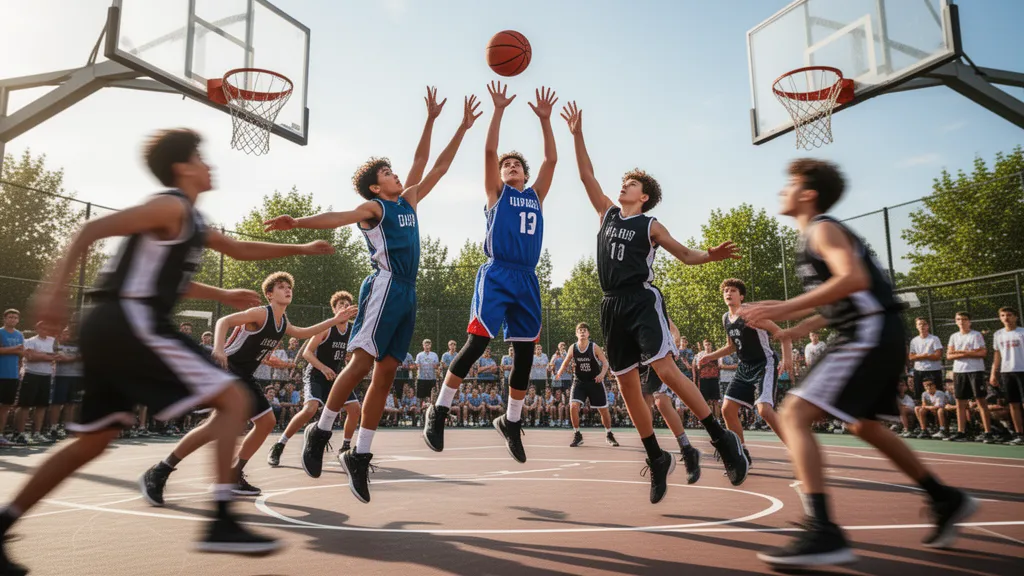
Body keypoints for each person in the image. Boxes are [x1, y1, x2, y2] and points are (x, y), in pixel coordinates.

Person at [0, 129, 334, 570]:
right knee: (233, 398)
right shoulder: (170, 205)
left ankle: (4, 523)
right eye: (201, 157)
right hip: (131, 321)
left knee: (91, 443)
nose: (209, 165)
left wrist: (297, 251)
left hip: (114, 326)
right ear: (182, 168)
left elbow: (236, 248)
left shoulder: (190, 221)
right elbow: (90, 229)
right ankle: (220, 520)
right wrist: (54, 290)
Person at [743, 158, 976, 568]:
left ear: (809, 194)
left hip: (866, 332)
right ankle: (945, 497)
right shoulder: (815, 236)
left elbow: (853, 280)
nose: (784, 190)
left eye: (791, 184)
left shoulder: (822, 229)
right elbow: (839, 296)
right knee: (861, 423)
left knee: (794, 413)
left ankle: (823, 531)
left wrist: (783, 310)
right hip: (876, 330)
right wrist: (794, 327)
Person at [265, 89, 481, 504]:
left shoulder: (409, 201)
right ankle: (321, 428)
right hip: (383, 286)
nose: (397, 175)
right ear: (374, 186)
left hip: (408, 293)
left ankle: (359, 453)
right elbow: (337, 217)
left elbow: (433, 164)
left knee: (386, 373)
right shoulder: (374, 209)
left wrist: (452, 124)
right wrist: (299, 221)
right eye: (388, 173)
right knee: (362, 362)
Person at [560, 100, 747, 504]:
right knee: (626, 386)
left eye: (631, 184)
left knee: (664, 367)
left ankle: (722, 439)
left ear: (644, 197)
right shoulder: (607, 215)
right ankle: (656, 457)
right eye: (623, 182)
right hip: (611, 305)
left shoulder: (650, 225)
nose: (622, 185)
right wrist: (577, 134)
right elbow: (585, 174)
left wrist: (710, 256)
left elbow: (684, 254)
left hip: (642, 301)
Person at [424, 82, 559, 462]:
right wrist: (498, 110)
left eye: (516, 165)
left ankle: (511, 421)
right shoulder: (496, 194)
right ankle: (439, 409)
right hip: (498, 273)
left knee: (524, 355)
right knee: (478, 344)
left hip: (527, 277)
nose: (510, 166)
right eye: (506, 165)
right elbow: (488, 150)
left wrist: (546, 121)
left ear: (524, 174)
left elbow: (551, 162)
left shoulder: (535, 195)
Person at [141, 272, 356, 500]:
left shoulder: (282, 322)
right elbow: (224, 321)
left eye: (288, 287)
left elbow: (303, 333)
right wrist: (219, 348)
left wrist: (335, 320)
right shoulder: (260, 314)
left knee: (265, 422)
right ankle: (161, 471)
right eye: (281, 287)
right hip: (227, 370)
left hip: (244, 375)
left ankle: (231, 473)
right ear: (269, 294)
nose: (287, 290)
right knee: (217, 426)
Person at [699, 278, 792, 465]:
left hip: (763, 364)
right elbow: (731, 346)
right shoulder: (726, 318)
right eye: (725, 290)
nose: (728, 293)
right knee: (727, 409)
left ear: (741, 296)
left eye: (733, 290)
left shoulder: (751, 315)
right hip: (744, 367)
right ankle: (741, 453)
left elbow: (782, 334)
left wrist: (787, 359)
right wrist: (710, 356)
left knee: (764, 410)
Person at [268, 290, 356, 467]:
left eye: (347, 305)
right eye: (341, 305)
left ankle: (345, 448)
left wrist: (349, 365)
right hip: (316, 374)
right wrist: (323, 368)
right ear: (334, 310)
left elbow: (352, 354)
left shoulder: (354, 330)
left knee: (355, 408)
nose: (345, 308)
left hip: (336, 376)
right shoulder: (326, 328)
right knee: (310, 409)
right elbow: (307, 353)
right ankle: (279, 445)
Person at [555, 322, 617, 447]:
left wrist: (602, 375)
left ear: (588, 334)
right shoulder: (573, 347)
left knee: (603, 410)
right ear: (576, 334)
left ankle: (609, 434)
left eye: (584, 330)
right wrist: (559, 373)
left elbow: (605, 363)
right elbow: (566, 362)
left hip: (595, 382)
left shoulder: (594, 347)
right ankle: (577, 434)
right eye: (580, 330)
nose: (582, 332)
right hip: (580, 382)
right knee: (573, 406)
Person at [947, 311, 993, 443]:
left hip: (975, 371)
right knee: (960, 402)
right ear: (956, 321)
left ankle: (987, 432)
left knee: (981, 402)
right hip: (959, 372)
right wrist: (970, 352)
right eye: (959, 319)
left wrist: (960, 352)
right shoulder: (953, 336)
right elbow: (949, 355)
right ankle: (961, 432)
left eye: (965, 319)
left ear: (969, 321)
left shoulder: (976, 335)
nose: (962, 321)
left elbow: (982, 352)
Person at [14, 322, 57, 445]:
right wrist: (48, 356)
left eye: (47, 328)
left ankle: (37, 433)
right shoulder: (30, 341)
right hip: (31, 375)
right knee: (25, 405)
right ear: (37, 328)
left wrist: (41, 355)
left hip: (46, 376)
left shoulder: (52, 340)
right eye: (42, 328)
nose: (45, 330)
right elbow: (30, 357)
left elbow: (57, 355)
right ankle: (20, 433)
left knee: (42, 406)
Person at [991, 306, 1024, 445]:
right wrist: (994, 373)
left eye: (1009, 315)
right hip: (1006, 372)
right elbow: (997, 355)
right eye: (1003, 315)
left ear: (1015, 317)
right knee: (1013, 404)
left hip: (1022, 371)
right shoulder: (998, 334)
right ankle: (1019, 434)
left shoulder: (1022, 332)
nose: (1006, 318)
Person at [0, 309, 25, 448]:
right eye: (10, 317)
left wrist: (19, 364)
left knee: (5, 407)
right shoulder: (0, 332)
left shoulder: (19, 334)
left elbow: (22, 353)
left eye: (15, 317)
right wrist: (15, 349)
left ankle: (0, 436)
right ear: (4, 318)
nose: (13, 319)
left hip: (12, 376)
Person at [909, 318, 943, 397]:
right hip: (919, 371)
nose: (922, 326)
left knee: (937, 394)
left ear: (928, 326)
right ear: (916, 326)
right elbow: (911, 357)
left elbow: (937, 356)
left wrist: (918, 356)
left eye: (924, 324)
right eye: (919, 324)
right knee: (919, 395)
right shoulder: (914, 341)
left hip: (933, 370)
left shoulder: (934, 339)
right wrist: (926, 355)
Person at [693, 339, 722, 420]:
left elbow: (719, 366)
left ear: (711, 345)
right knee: (705, 401)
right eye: (706, 344)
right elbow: (698, 367)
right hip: (703, 380)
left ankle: (718, 420)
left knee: (715, 401)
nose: (708, 346)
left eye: (709, 344)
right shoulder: (700, 355)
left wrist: (707, 362)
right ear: (703, 345)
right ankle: (708, 420)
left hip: (714, 379)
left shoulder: (716, 354)